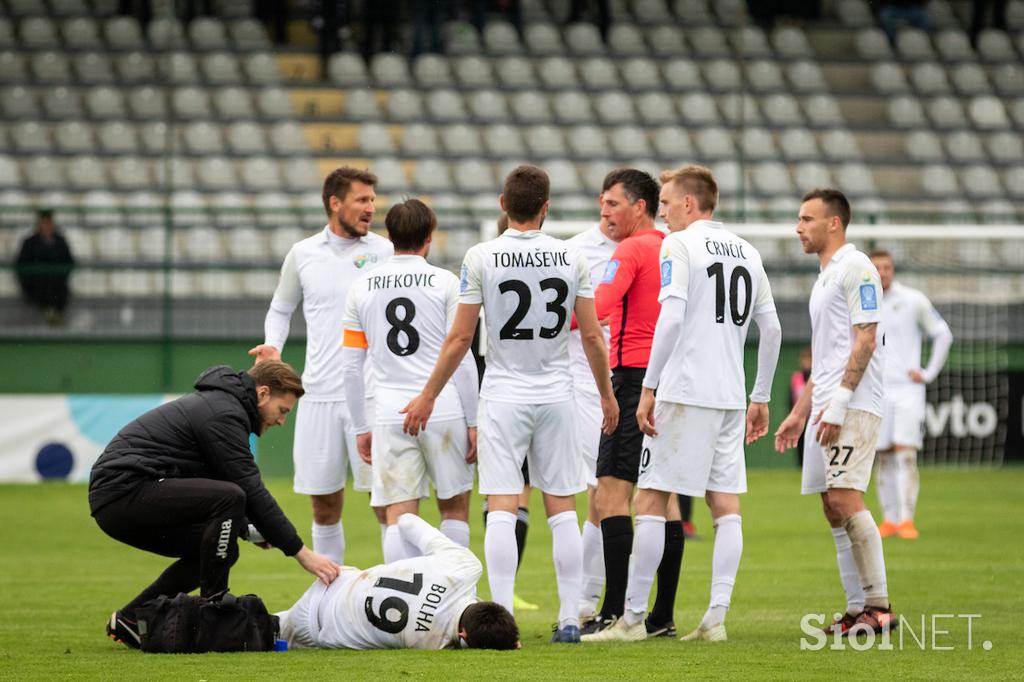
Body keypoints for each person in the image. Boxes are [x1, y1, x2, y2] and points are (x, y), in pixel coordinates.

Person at [402, 164, 619, 643]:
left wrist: (428, 394)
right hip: (557, 392)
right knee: (562, 506)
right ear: (546, 208)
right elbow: (592, 336)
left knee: (502, 505)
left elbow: (460, 337)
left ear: (503, 205)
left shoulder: (481, 256)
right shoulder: (571, 256)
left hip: (502, 394)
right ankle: (568, 619)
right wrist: (606, 394)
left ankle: (500, 616)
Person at [583, 165, 782, 643]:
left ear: (690, 204)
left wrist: (649, 387)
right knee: (725, 506)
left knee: (650, 497)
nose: (664, 212)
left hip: (684, 389)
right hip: (731, 395)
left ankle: (631, 619)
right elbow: (771, 329)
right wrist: (761, 396)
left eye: (669, 202)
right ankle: (715, 617)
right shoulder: (748, 251)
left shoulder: (679, 244)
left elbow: (670, 317)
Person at [89, 361, 340, 648]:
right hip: (123, 492)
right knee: (230, 496)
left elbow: (215, 481)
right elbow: (247, 490)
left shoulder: (223, 406)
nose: (281, 420)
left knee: (221, 548)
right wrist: (301, 553)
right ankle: (214, 612)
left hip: (120, 497)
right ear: (262, 393)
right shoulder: (223, 414)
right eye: (282, 410)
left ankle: (131, 618)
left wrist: (246, 530)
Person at [249, 166, 394, 566]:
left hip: (370, 395)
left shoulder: (383, 252)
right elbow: (281, 307)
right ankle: (331, 600)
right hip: (318, 396)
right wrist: (273, 348)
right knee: (324, 506)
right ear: (335, 203)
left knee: (385, 502)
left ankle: (397, 597)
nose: (370, 208)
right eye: (362, 200)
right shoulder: (303, 254)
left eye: (372, 200)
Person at [775, 188, 898, 637]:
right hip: (826, 403)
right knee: (831, 506)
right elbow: (826, 358)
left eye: (807, 218)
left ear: (834, 224)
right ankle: (855, 609)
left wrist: (842, 401)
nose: (798, 227)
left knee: (846, 497)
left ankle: (880, 607)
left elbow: (866, 338)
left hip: (853, 403)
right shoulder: (825, 275)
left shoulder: (857, 266)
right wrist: (799, 413)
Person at [340, 199, 479, 563]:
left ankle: (401, 609)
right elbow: (462, 358)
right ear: (429, 237)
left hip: (388, 411)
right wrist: (474, 421)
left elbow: (352, 368)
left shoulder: (362, 286)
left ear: (389, 237)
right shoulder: (447, 283)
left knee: (399, 516)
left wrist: (360, 426)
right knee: (454, 509)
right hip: (443, 407)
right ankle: (452, 597)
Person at [585, 169, 685, 638]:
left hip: (632, 379)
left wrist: (547, 320)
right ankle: (661, 616)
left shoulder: (630, 249)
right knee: (662, 497)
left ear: (640, 206)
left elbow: (599, 306)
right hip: (673, 380)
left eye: (613, 203)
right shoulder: (675, 247)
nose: (605, 212)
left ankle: (613, 612)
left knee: (610, 491)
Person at [279, 513, 519, 650]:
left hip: (338, 581)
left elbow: (406, 521)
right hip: (322, 631)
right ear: (464, 636)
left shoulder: (464, 566)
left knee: (264, 628)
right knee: (262, 633)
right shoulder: (432, 644)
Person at [869, 250, 952, 540]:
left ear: (893, 270)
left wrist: (927, 373)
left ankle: (906, 519)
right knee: (884, 456)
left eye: (887, 267)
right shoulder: (865, 300)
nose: (883, 272)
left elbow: (943, 334)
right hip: (877, 388)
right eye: (877, 267)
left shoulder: (912, 299)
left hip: (907, 389)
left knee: (906, 454)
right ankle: (889, 519)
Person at [565, 195, 618, 626]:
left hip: (644, 384)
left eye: (615, 203)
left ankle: (642, 609)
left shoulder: (661, 248)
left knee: (658, 501)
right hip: (587, 387)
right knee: (599, 493)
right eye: (602, 202)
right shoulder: (575, 251)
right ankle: (587, 601)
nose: (605, 209)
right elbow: (568, 322)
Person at [15, 209, 74, 326]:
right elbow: (21, 265)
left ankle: (54, 316)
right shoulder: (29, 242)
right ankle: (51, 316)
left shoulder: (60, 241)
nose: (46, 226)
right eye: (43, 223)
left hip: (58, 285)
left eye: (48, 223)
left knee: (59, 291)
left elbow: (69, 262)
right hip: (36, 285)